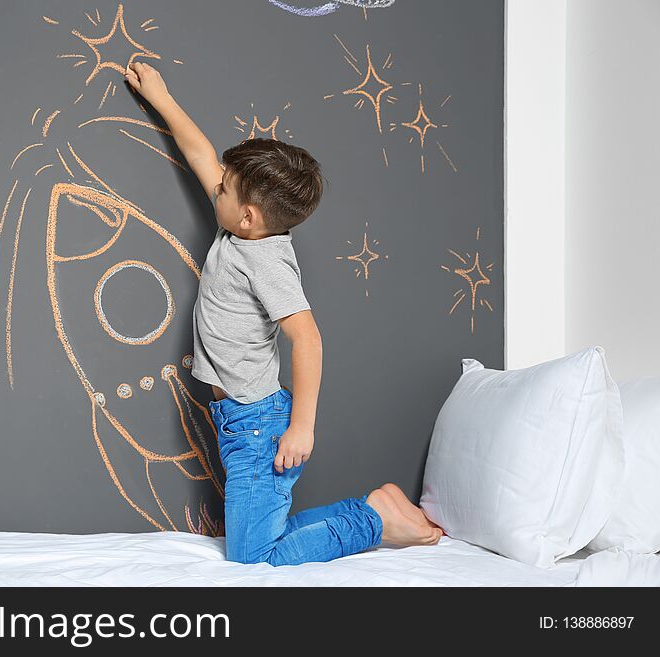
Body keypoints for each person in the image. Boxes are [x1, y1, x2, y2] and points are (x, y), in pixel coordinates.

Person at [124, 62, 444, 566]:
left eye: (224, 188)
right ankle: (375, 510)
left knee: (253, 559)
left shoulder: (268, 260)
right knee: (258, 542)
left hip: (260, 425)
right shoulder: (241, 225)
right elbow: (202, 153)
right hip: (238, 420)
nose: (217, 188)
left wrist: (302, 427)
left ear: (248, 216)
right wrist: (161, 98)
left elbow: (308, 339)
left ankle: (374, 520)